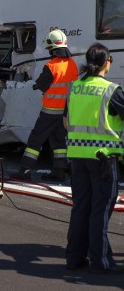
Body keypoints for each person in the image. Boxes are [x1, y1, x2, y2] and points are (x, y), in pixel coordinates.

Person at [65, 43, 124, 274]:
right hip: (103, 159)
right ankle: (100, 261)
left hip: (77, 157)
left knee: (81, 208)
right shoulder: (111, 90)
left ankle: (75, 258)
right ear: (106, 62)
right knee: (100, 209)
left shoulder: (75, 88)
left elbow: (65, 121)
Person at [11, 29, 78, 181]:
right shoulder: (72, 64)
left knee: (35, 140)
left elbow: (42, 85)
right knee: (59, 142)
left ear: (52, 49)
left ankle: (25, 171)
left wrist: (35, 86)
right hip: (65, 113)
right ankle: (60, 172)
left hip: (49, 112)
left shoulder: (51, 66)